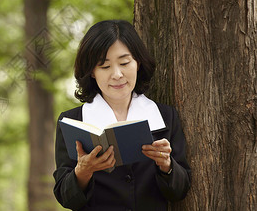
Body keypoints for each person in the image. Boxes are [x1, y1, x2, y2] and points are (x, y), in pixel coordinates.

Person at [53, 20, 191, 210]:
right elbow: (66, 198)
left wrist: (167, 165)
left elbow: (180, 191)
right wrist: (82, 172)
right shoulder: (73, 122)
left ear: (138, 63)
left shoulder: (165, 117)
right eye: (104, 66)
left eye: (124, 62)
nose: (117, 74)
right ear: (92, 72)